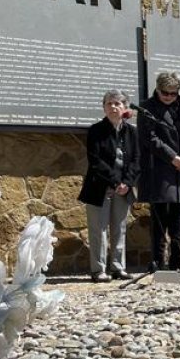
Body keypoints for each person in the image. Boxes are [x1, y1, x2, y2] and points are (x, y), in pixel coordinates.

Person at [137, 72, 180, 272]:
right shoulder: (147, 107)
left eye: (173, 94)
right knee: (160, 220)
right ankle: (158, 263)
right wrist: (173, 158)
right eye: (165, 93)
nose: (169, 97)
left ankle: (178, 263)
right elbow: (150, 138)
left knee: (178, 220)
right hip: (160, 172)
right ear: (157, 89)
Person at [78, 90, 139, 282]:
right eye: (109, 104)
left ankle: (118, 267)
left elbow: (137, 160)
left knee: (119, 228)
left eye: (117, 103)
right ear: (104, 107)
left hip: (124, 188)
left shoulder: (132, 132)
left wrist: (127, 183)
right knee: (98, 229)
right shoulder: (96, 131)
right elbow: (96, 161)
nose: (113, 107)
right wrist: (115, 182)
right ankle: (99, 270)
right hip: (100, 187)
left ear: (125, 108)